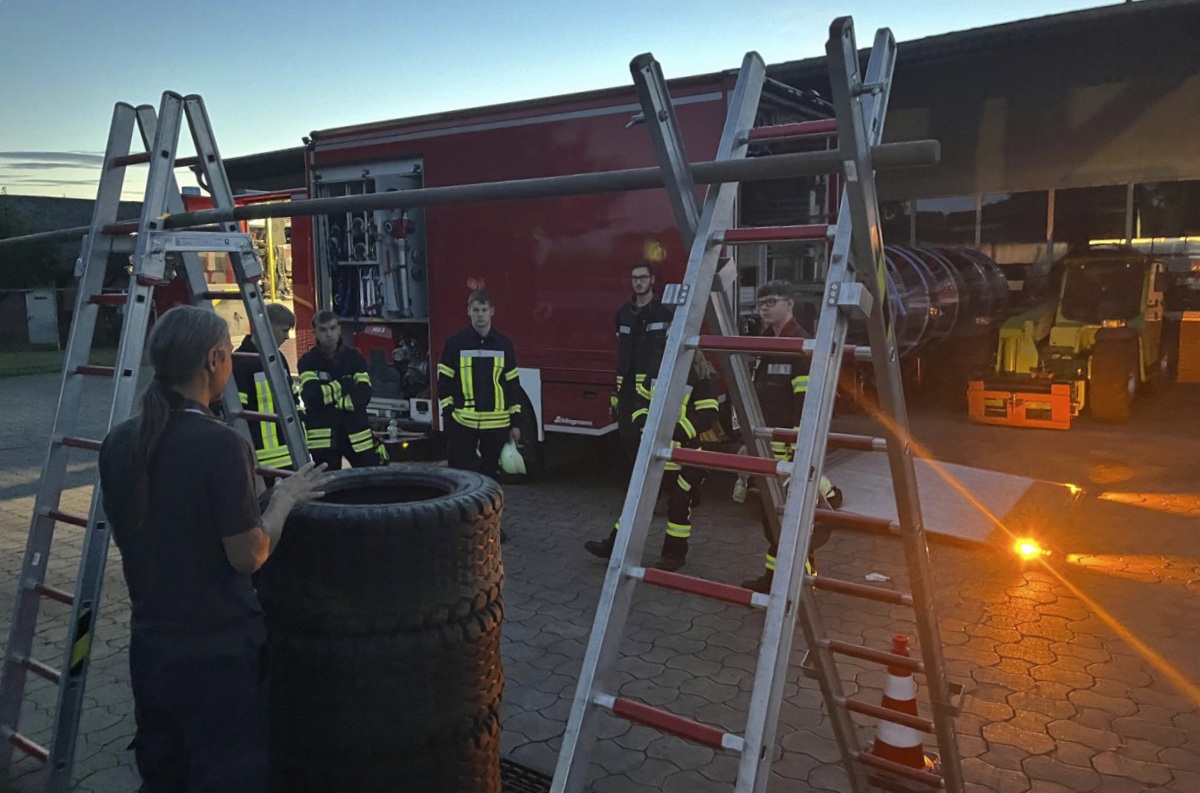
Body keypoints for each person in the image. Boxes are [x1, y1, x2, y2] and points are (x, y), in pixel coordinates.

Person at [98, 305, 329, 793]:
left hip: (153, 651)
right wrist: (284, 499)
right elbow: (249, 555)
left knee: (165, 774)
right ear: (214, 360)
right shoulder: (220, 445)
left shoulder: (118, 442)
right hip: (219, 657)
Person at [741, 280, 842, 594]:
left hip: (788, 445)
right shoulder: (764, 342)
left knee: (795, 521)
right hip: (766, 443)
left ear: (789, 304)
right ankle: (773, 579)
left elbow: (806, 402)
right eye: (760, 303)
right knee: (772, 519)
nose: (764, 308)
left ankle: (801, 585)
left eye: (771, 301)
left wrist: (800, 445)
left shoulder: (801, 344)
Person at [585, 350, 719, 570]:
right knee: (636, 501)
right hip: (655, 453)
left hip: (685, 456)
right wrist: (644, 422)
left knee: (678, 507)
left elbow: (707, 416)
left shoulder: (701, 373)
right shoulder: (658, 367)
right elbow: (641, 403)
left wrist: (674, 432)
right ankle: (615, 546)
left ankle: (674, 556)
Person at [436, 290, 522, 478]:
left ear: (492, 311)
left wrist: (515, 424)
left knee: (491, 478)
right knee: (461, 475)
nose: (480, 314)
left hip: (497, 424)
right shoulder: (455, 343)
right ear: (469, 311)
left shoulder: (504, 344)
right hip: (463, 422)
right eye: (476, 310)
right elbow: (444, 383)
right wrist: (449, 415)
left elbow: (513, 386)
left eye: (484, 310)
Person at [297, 310, 389, 470]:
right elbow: (312, 397)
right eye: (323, 329)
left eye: (333, 328)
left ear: (339, 329)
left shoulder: (355, 357)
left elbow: (364, 394)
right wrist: (344, 385)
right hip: (324, 440)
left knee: (369, 478)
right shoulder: (307, 361)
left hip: (357, 435)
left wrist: (331, 398)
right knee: (328, 483)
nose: (329, 334)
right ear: (314, 332)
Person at [612, 261, 674, 459]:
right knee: (627, 437)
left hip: (653, 389)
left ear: (652, 280)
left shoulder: (664, 312)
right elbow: (621, 350)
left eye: (642, 278)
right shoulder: (623, 314)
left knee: (652, 437)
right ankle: (636, 473)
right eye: (634, 278)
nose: (638, 282)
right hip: (627, 389)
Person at [232, 303, 302, 474]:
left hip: (287, 450)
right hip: (258, 457)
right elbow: (238, 415)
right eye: (284, 330)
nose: (287, 337)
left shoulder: (279, 358)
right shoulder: (241, 361)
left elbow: (292, 400)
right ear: (265, 326)